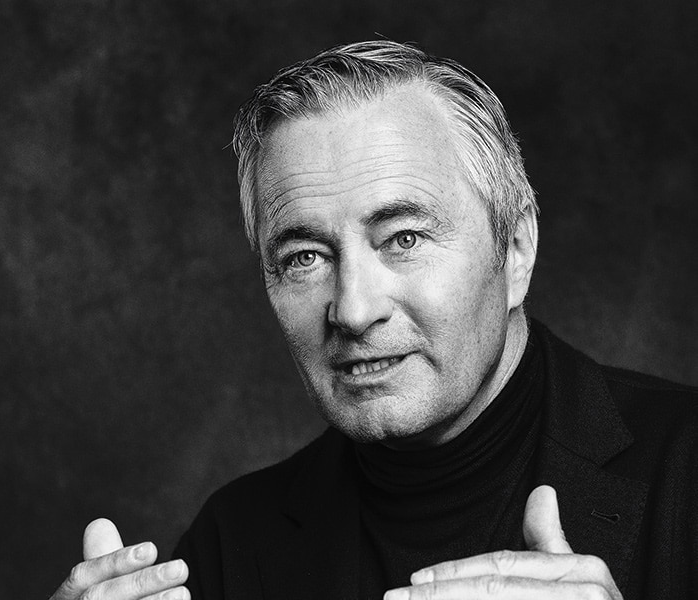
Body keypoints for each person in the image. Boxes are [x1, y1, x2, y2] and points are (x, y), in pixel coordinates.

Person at [50, 41, 698, 600]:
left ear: (516, 248)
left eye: (403, 239)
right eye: (304, 257)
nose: (354, 311)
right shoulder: (232, 544)